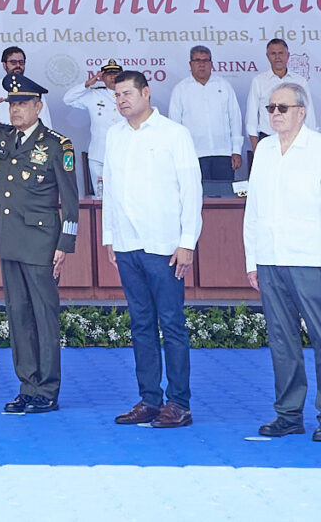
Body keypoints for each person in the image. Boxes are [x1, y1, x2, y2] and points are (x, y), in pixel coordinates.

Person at [0, 77, 78, 414]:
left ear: (38, 107)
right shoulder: (1, 137)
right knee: (19, 315)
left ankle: (47, 390)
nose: (16, 109)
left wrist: (65, 244)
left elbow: (70, 200)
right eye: (12, 103)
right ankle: (27, 385)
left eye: (23, 103)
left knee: (44, 316)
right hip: (9, 240)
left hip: (41, 242)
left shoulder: (56, 145)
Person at [242, 80, 321, 442]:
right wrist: (252, 260)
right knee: (281, 341)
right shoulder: (266, 151)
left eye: (282, 108)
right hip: (271, 259)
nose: (274, 114)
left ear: (301, 112)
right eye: (270, 108)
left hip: (311, 259)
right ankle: (288, 414)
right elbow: (253, 210)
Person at [101, 68, 202, 428]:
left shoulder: (174, 134)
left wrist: (187, 242)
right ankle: (148, 399)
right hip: (127, 244)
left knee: (172, 323)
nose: (122, 100)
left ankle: (179, 403)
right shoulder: (114, 136)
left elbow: (191, 190)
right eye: (117, 95)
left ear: (146, 94)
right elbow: (109, 189)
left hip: (164, 244)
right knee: (141, 324)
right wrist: (109, 235)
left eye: (128, 93)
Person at [168, 45, 244, 195]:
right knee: (197, 198)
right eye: (197, 60)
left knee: (225, 198)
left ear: (211, 63)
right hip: (194, 155)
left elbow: (235, 119)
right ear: (190, 64)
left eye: (205, 60)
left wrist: (236, 151)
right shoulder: (181, 90)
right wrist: (179, 155)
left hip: (223, 155)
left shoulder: (224, 86)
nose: (201, 64)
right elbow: (174, 126)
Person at [246, 39, 311, 165]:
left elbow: (309, 117)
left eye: (281, 53)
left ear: (288, 55)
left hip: (295, 141)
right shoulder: (259, 82)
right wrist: (257, 149)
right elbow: (252, 119)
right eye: (273, 53)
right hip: (268, 139)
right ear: (267, 56)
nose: (277, 57)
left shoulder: (300, 82)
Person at [62, 60, 121, 196]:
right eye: (108, 74)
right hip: (98, 156)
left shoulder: (129, 94)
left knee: (122, 197)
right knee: (101, 198)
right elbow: (68, 99)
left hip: (122, 155)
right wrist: (87, 84)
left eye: (116, 73)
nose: (113, 77)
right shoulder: (94, 95)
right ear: (102, 77)